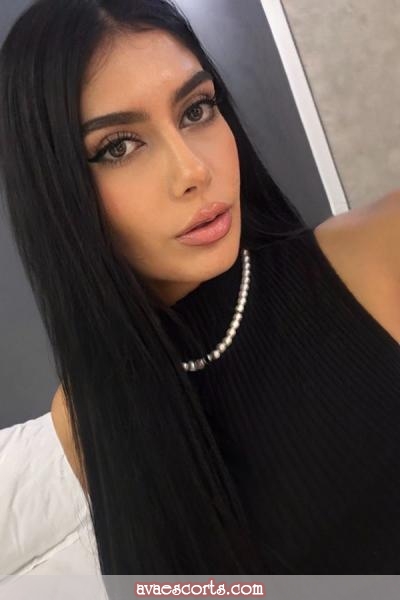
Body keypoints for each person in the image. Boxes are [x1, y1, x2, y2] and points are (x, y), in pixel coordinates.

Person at [1, 0, 400, 577]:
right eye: (118, 146)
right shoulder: (86, 413)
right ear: (55, 192)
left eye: (196, 110)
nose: (193, 170)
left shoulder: (379, 253)